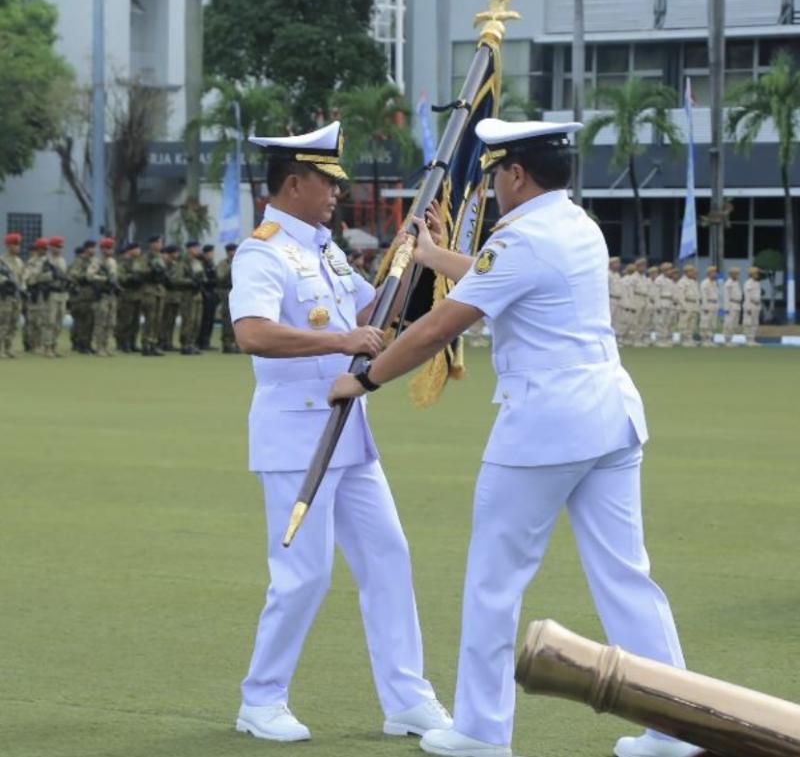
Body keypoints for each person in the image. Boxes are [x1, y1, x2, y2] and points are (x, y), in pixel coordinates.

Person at [329, 118, 700, 757]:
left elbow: (438, 327)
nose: (495, 186)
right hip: (609, 414)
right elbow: (495, 275)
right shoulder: (575, 223)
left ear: (517, 175)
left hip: (545, 424)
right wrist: (432, 257)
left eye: (498, 173)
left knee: (494, 581)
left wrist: (365, 379)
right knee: (627, 578)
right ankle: (675, 726)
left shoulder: (521, 238)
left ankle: (481, 728)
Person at [229, 121, 451, 743]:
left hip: (348, 432)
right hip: (296, 435)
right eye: (326, 182)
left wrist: (413, 258)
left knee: (388, 557)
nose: (335, 193)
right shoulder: (263, 252)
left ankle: (407, 698)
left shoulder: (323, 249)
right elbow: (251, 332)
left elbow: (373, 313)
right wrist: (337, 342)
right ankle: (260, 700)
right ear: (293, 183)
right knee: (304, 573)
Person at [87, 237, 119, 356]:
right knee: (101, 322)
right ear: (102, 249)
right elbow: (90, 276)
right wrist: (104, 279)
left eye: (111, 248)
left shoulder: (112, 262)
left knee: (111, 322)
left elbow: (115, 277)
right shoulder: (96, 262)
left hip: (111, 295)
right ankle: (99, 346)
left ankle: (106, 345)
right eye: (107, 248)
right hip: (102, 295)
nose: (109, 250)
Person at [175, 240, 205, 355]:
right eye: (195, 248)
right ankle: (185, 344)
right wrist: (190, 282)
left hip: (197, 295)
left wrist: (201, 281)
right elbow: (177, 279)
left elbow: (202, 276)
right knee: (188, 320)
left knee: (197, 321)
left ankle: (192, 343)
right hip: (187, 295)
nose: (197, 250)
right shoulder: (182, 263)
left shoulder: (197, 262)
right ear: (189, 249)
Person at [22, 238, 51, 354]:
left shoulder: (48, 261)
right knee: (33, 320)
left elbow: (52, 276)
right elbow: (28, 279)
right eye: (43, 248)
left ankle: (41, 344)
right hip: (34, 293)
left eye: (46, 249)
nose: (45, 251)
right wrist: (42, 277)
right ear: (38, 249)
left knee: (43, 321)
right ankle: (32, 345)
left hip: (45, 294)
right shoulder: (31, 262)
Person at [43, 236, 70, 357]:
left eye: (61, 247)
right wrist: (51, 275)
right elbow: (38, 277)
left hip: (62, 294)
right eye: (57, 246)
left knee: (59, 322)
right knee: (50, 321)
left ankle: (54, 346)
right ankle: (47, 347)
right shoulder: (46, 261)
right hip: (52, 293)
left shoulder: (63, 260)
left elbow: (65, 275)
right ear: (51, 247)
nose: (59, 249)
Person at [69, 240, 97, 354]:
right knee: (82, 320)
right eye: (92, 248)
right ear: (86, 249)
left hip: (92, 294)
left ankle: (88, 343)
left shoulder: (94, 261)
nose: (94, 250)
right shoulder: (79, 261)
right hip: (82, 294)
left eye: (94, 248)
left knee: (90, 321)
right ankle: (81, 344)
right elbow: (73, 274)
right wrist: (86, 276)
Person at [116, 241, 145, 352]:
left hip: (138, 294)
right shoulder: (123, 262)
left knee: (135, 322)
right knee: (126, 321)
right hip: (127, 295)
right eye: (136, 249)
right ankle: (123, 343)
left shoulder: (140, 262)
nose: (138, 251)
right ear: (130, 251)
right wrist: (131, 277)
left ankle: (133, 342)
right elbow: (120, 277)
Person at [0, 232, 25, 358]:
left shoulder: (19, 261)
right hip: (5, 297)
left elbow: (22, 277)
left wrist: (23, 288)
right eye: (15, 244)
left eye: (18, 244)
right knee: (3, 322)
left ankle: (9, 347)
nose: (17, 247)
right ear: (8, 246)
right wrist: (4, 281)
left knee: (14, 323)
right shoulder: (2, 261)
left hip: (16, 296)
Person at [140, 234, 166, 356]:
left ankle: (153, 343)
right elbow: (140, 271)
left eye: (160, 242)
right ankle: (146, 344)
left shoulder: (160, 257)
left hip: (159, 290)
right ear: (152, 244)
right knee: (150, 318)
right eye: (158, 242)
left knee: (157, 319)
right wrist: (152, 270)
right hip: (149, 290)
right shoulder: (146, 257)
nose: (160, 245)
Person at [216, 242, 239, 353]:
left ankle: (236, 343)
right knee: (227, 319)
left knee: (237, 319)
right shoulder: (223, 264)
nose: (232, 253)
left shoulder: (240, 262)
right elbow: (220, 278)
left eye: (234, 250)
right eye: (230, 251)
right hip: (226, 292)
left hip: (238, 292)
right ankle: (227, 343)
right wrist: (230, 268)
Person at [158, 244, 182, 351]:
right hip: (166, 296)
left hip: (175, 297)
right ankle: (161, 341)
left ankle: (168, 342)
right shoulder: (164, 265)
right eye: (175, 252)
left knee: (171, 321)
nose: (177, 254)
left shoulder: (175, 264)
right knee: (164, 321)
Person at [197, 243, 218, 350]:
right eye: (210, 252)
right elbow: (202, 281)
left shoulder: (211, 264)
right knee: (203, 320)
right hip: (205, 294)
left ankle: (206, 341)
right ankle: (200, 342)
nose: (212, 255)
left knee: (210, 320)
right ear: (206, 253)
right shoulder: (201, 264)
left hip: (212, 294)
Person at [676, 264, 699, 347]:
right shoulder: (682, 282)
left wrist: (697, 306)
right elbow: (680, 295)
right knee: (684, 322)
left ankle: (689, 339)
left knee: (692, 323)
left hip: (693, 304)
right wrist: (683, 306)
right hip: (686, 303)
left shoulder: (693, 282)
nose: (693, 273)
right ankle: (684, 339)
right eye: (692, 271)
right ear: (687, 272)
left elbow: (697, 295)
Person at [699, 265, 719, 347]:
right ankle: (704, 339)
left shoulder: (715, 283)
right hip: (707, 304)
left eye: (715, 272)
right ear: (709, 273)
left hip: (714, 304)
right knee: (705, 322)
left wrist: (717, 305)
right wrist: (705, 306)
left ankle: (710, 339)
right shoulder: (705, 283)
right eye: (713, 272)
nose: (715, 274)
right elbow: (703, 295)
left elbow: (716, 295)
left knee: (712, 323)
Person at [722, 267, 743, 347]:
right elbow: (726, 296)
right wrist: (727, 308)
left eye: (738, 274)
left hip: (737, 304)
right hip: (731, 304)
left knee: (734, 323)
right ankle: (727, 340)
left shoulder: (736, 282)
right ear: (732, 274)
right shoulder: (728, 283)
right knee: (729, 323)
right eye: (736, 274)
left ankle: (730, 339)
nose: (738, 275)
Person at [742, 266, 762, 347]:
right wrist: (748, 307)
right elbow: (747, 296)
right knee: (748, 323)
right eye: (756, 273)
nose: (757, 274)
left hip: (756, 305)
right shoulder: (748, 283)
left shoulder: (757, 283)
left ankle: (753, 339)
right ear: (752, 274)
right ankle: (748, 340)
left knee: (755, 323)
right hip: (750, 304)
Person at [608, 256, 623, 339]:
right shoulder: (607, 274)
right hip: (611, 299)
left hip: (618, 299)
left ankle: (615, 337)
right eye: (616, 263)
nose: (618, 265)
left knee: (617, 319)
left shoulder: (617, 275)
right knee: (610, 319)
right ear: (611, 264)